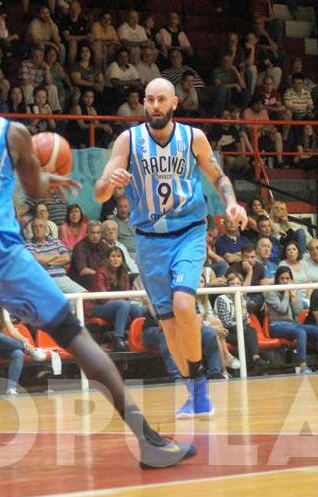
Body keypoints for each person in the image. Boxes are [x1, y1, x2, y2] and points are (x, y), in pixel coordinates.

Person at [0, 61, 196, 474]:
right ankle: (148, 441)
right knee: (73, 333)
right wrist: (48, 176)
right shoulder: (8, 131)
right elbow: (33, 190)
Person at [95, 77, 248, 419]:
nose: (154, 106)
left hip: (189, 232)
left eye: (161, 100)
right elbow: (99, 192)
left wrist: (232, 203)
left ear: (175, 103)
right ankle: (195, 393)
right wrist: (110, 183)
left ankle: (202, 383)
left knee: (183, 305)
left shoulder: (192, 137)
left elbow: (218, 176)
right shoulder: (129, 140)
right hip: (149, 239)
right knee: (166, 322)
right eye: (149, 100)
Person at [266, 267, 318, 374]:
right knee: (300, 332)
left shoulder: (294, 291)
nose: (285, 282)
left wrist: (293, 297)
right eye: (282, 279)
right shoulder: (271, 293)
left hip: (293, 324)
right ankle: (302, 366)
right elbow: (282, 309)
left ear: (291, 280)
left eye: (287, 279)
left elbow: (298, 311)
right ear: (277, 280)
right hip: (276, 325)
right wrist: (287, 294)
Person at [86, 247, 144, 351]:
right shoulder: (101, 272)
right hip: (96, 306)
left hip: (117, 305)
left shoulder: (124, 272)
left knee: (137, 309)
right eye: (113, 256)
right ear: (107, 259)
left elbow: (126, 295)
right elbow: (103, 298)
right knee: (123, 305)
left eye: (118, 256)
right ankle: (118, 339)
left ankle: (137, 337)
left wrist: (121, 302)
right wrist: (121, 302)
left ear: (122, 259)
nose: (116, 259)